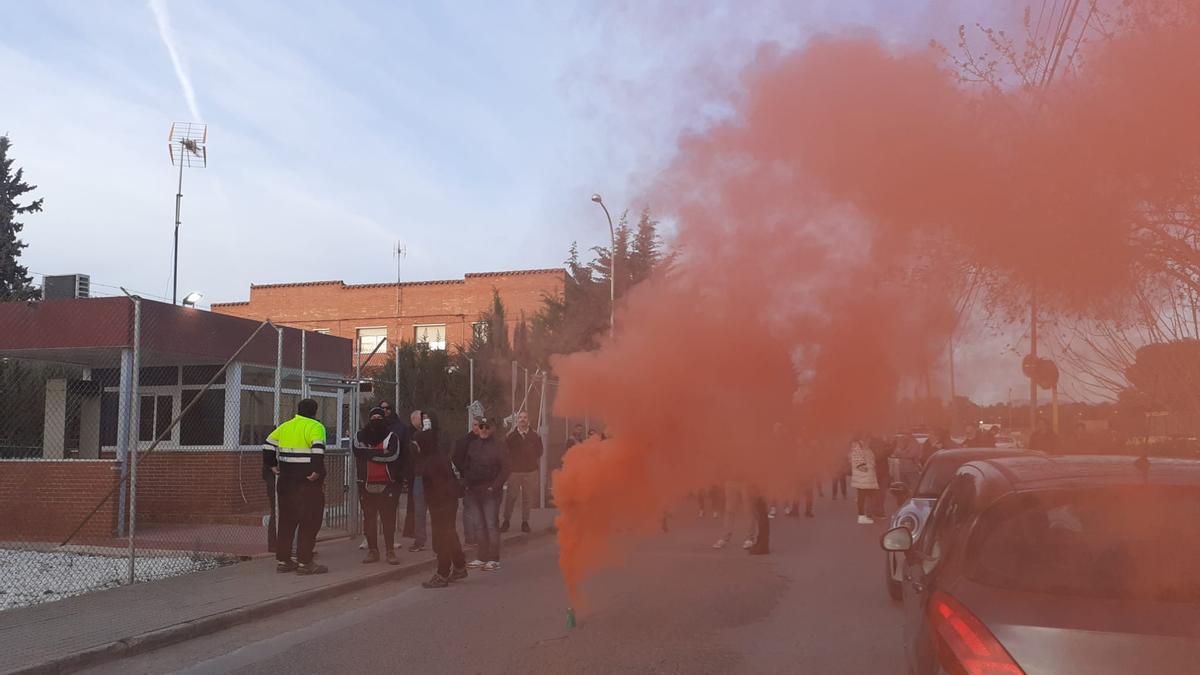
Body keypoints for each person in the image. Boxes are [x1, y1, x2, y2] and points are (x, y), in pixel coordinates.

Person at [262, 398, 329, 574]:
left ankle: (284, 561)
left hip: (285, 482)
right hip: (306, 483)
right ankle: (305, 563)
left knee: (286, 522)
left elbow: (267, 444)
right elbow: (317, 449)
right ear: (315, 411)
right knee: (309, 522)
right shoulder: (316, 427)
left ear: (298, 410)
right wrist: (316, 471)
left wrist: (272, 464)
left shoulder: (285, 426)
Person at [416, 411, 468, 588]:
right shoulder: (433, 456)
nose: (416, 447)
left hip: (442, 501)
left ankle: (442, 572)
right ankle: (460, 566)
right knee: (449, 532)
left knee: (441, 536)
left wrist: (438, 506)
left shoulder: (434, 460)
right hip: (445, 499)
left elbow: (439, 485)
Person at [455, 417, 509, 571]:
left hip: (491, 492)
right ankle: (482, 557)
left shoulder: (499, 446)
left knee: (491, 524)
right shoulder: (473, 445)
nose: (483, 429)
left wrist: (495, 486)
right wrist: (466, 483)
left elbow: (506, 468)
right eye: (481, 426)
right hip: (473, 491)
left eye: (487, 426)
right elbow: (466, 465)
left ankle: (494, 559)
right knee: (479, 526)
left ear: (492, 428)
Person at [353, 407, 403, 565]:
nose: (376, 419)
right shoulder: (359, 435)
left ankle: (390, 551)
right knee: (369, 519)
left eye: (378, 416)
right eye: (373, 416)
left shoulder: (391, 436)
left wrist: (370, 454)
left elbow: (394, 456)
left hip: (386, 483)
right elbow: (357, 452)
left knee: (388, 519)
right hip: (365, 483)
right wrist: (381, 453)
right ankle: (373, 551)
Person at [502, 411, 543, 534]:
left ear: (528, 420)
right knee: (511, 497)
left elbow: (540, 451)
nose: (522, 419)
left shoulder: (535, 436)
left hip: (530, 471)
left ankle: (525, 522)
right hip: (514, 471)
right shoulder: (510, 436)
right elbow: (505, 452)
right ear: (517, 420)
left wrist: (530, 460)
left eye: (525, 417)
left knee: (527, 498)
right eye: (520, 417)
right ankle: (506, 521)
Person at [402, 409, 430, 552]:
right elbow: (411, 453)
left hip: (419, 472)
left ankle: (413, 530)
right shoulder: (410, 433)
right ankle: (412, 530)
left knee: (416, 504)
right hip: (414, 472)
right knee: (415, 504)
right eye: (421, 417)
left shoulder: (425, 433)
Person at [455, 418, 481, 547]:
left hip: (483, 480)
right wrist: (465, 471)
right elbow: (456, 457)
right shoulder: (464, 441)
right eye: (475, 425)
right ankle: (470, 537)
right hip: (469, 479)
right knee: (469, 508)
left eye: (479, 425)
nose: (477, 428)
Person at [713, 481, 756, 550]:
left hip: (746, 479)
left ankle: (750, 538)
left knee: (748, 509)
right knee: (729, 510)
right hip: (731, 479)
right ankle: (725, 538)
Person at [849, 437, 878, 525]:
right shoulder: (858, 448)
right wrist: (870, 466)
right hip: (863, 478)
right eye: (866, 439)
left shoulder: (866, 448)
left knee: (865, 497)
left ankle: (865, 515)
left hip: (866, 478)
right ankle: (862, 516)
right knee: (863, 497)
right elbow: (861, 465)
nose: (868, 441)